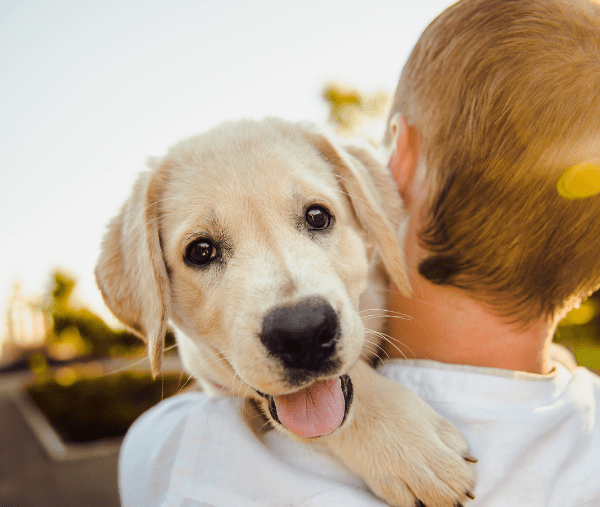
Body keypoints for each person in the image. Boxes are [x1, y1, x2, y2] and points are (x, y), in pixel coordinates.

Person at [118, 0, 600, 505]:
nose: (296, 313)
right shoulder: (583, 417)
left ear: (397, 166)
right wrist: (360, 406)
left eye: (316, 219)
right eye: (203, 251)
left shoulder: (176, 456)